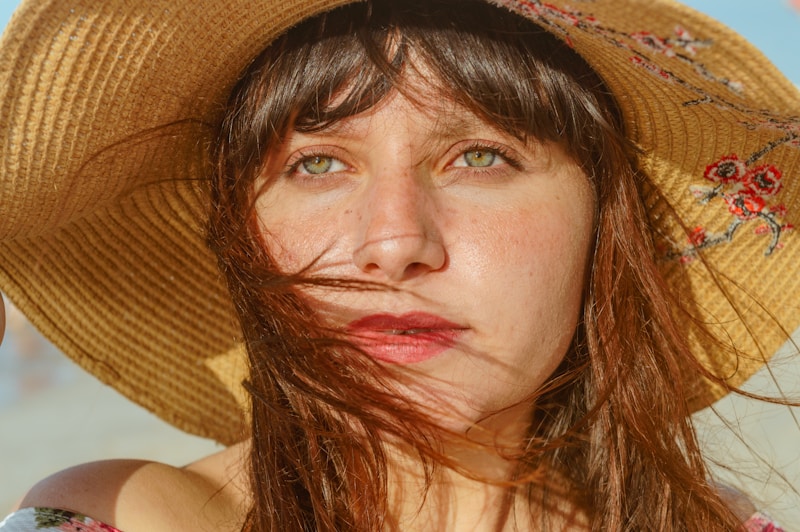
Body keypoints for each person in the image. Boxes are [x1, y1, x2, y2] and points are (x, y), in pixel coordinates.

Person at [0, 0, 797, 529]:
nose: (392, 242)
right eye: (316, 165)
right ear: (239, 236)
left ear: (604, 223)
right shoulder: (132, 514)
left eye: (479, 156)